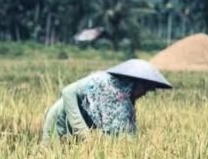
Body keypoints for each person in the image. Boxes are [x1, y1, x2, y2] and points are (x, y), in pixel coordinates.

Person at [42, 59, 171, 141]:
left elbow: (123, 134)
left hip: (78, 130)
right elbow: (68, 92)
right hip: (59, 121)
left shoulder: (123, 102)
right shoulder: (102, 83)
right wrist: (82, 132)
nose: (143, 95)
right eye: (145, 90)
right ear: (135, 84)